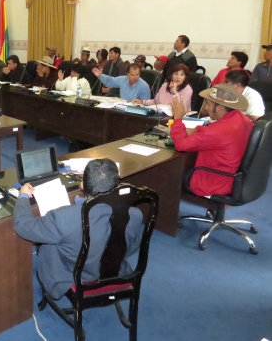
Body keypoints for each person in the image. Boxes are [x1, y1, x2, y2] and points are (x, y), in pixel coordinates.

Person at [13, 158, 143, 300]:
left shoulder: (64, 217)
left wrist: (23, 196)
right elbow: (131, 247)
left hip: (74, 277)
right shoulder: (135, 215)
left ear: (82, 185)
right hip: (116, 271)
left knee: (48, 243)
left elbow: (23, 226)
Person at [170, 84, 253, 197]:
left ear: (220, 107)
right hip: (233, 178)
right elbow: (216, 133)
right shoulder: (242, 119)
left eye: (208, 104)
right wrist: (197, 130)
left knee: (168, 172)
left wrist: (178, 119)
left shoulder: (216, 132)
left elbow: (180, 145)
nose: (206, 108)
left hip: (214, 182)